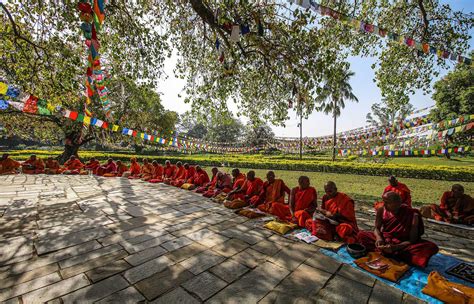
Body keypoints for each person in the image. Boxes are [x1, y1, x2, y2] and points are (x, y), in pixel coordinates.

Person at [358, 192, 439, 268]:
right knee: (362, 235)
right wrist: (379, 238)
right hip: (385, 240)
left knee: (431, 247)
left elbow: (412, 240)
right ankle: (393, 254)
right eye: (384, 202)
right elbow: (376, 228)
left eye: (388, 202)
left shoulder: (412, 214)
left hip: (403, 244)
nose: (384, 205)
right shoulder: (381, 210)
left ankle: (389, 253)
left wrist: (396, 247)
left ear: (398, 203)